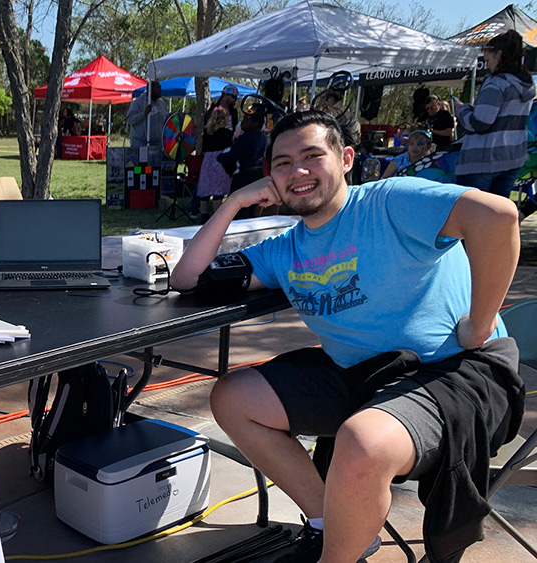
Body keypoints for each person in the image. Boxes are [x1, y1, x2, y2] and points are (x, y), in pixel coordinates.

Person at [170, 110, 522, 563]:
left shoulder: (390, 200)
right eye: (282, 163)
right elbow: (186, 279)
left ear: (346, 158)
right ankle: (333, 526)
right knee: (232, 396)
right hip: (365, 374)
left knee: (361, 442)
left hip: (454, 370)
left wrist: (480, 321)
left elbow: (498, 216)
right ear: (270, 176)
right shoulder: (286, 249)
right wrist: (233, 202)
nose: (298, 171)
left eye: (312, 156)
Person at [455, 29, 536, 199]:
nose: (487, 63)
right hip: (512, 158)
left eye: (488, 58)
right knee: (496, 217)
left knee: (472, 217)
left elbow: (481, 123)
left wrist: (461, 109)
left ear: (498, 54)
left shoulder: (496, 83)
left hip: (483, 160)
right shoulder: (526, 84)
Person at [187, 105, 233, 220]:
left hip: (207, 161)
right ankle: (217, 217)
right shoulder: (227, 133)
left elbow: (203, 148)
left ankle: (204, 215)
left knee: (205, 191)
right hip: (220, 161)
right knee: (218, 192)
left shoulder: (207, 132)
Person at [217, 111, 267, 218]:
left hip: (244, 174)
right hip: (258, 173)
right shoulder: (262, 137)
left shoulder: (246, 138)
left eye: (246, 120)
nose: (242, 123)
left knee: (240, 205)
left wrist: (221, 157)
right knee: (254, 204)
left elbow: (232, 155)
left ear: (255, 123)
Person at [127, 81, 166, 148]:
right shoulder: (138, 103)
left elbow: (165, 118)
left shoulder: (161, 103)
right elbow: (130, 119)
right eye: (157, 88)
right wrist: (143, 114)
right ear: (151, 90)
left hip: (157, 142)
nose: (160, 90)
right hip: (140, 142)